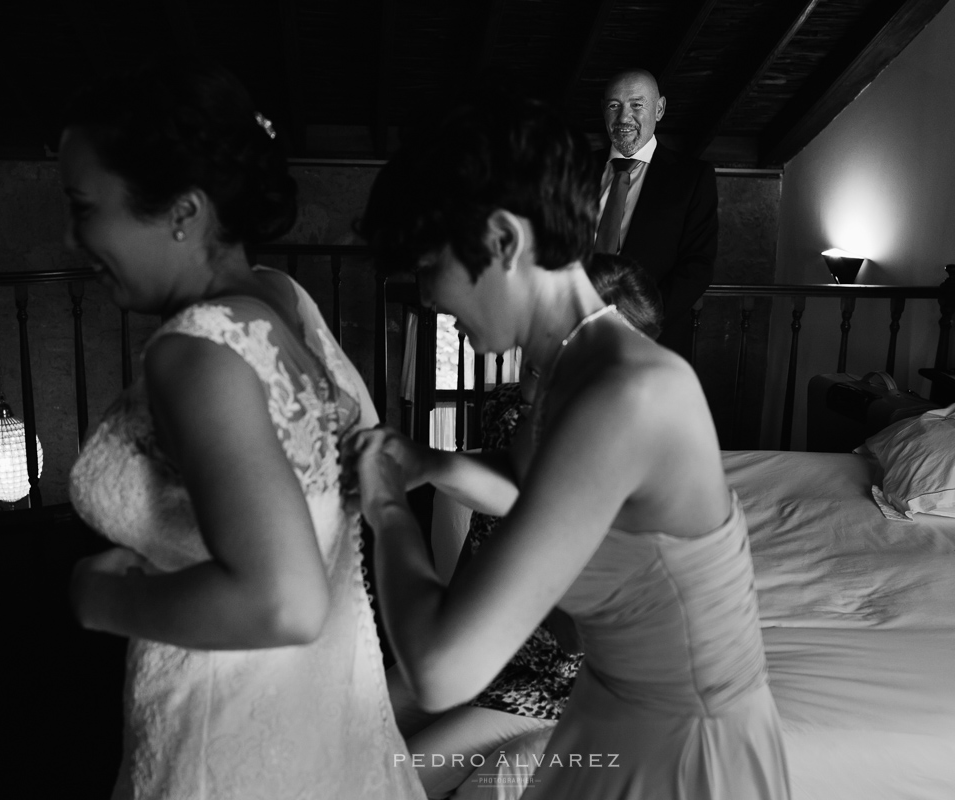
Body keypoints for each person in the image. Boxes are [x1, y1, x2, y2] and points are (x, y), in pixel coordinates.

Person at [351, 92, 789, 799]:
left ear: (502, 241)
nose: (428, 300)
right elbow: (531, 492)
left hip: (677, 754)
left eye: (431, 268)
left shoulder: (626, 393)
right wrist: (426, 462)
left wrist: (385, 508)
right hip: (608, 714)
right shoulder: (571, 367)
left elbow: (440, 669)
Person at [61, 62, 423, 800]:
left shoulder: (195, 351)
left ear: (183, 213)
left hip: (217, 739)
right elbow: (362, 449)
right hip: (320, 723)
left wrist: (104, 600)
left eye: (83, 206)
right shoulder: (282, 301)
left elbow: (281, 601)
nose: (74, 239)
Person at [390, 254, 663, 798]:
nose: (534, 385)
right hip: (489, 650)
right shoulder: (512, 412)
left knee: (387, 775)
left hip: (563, 686)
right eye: (537, 365)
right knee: (349, 710)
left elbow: (577, 633)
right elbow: (482, 543)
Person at [594, 68, 718, 360]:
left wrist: (639, 318)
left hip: (654, 341)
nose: (624, 117)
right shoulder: (574, 168)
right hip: (575, 337)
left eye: (637, 104)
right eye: (614, 105)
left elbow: (697, 266)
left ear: (659, 109)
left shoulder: (692, 177)